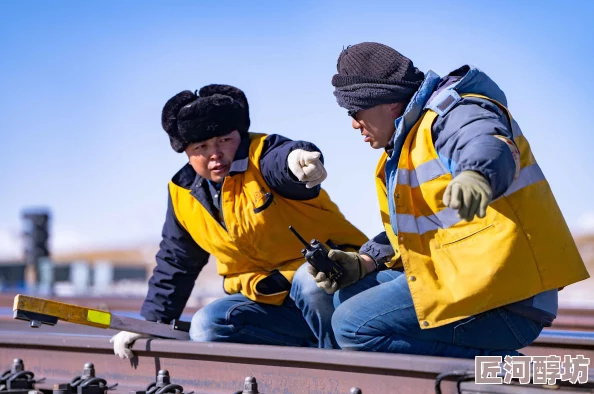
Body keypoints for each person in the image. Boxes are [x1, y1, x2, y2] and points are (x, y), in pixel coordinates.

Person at [308, 42, 590, 358]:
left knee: (352, 325)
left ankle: (515, 372)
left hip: (506, 297)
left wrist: (476, 175)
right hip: (471, 281)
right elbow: (422, 228)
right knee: (345, 297)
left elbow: (483, 141)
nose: (353, 123)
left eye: (354, 111)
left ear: (386, 102)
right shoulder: (407, 146)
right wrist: (366, 260)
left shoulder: (454, 113)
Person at [110, 84, 367, 359]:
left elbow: (283, 160)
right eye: (201, 146)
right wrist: (151, 323)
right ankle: (299, 363)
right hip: (272, 301)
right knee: (207, 324)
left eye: (224, 140)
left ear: (239, 135)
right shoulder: (182, 193)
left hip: (338, 283)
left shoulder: (263, 154)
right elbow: (176, 262)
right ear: (186, 152)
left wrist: (297, 160)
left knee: (309, 278)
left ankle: (340, 368)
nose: (215, 154)